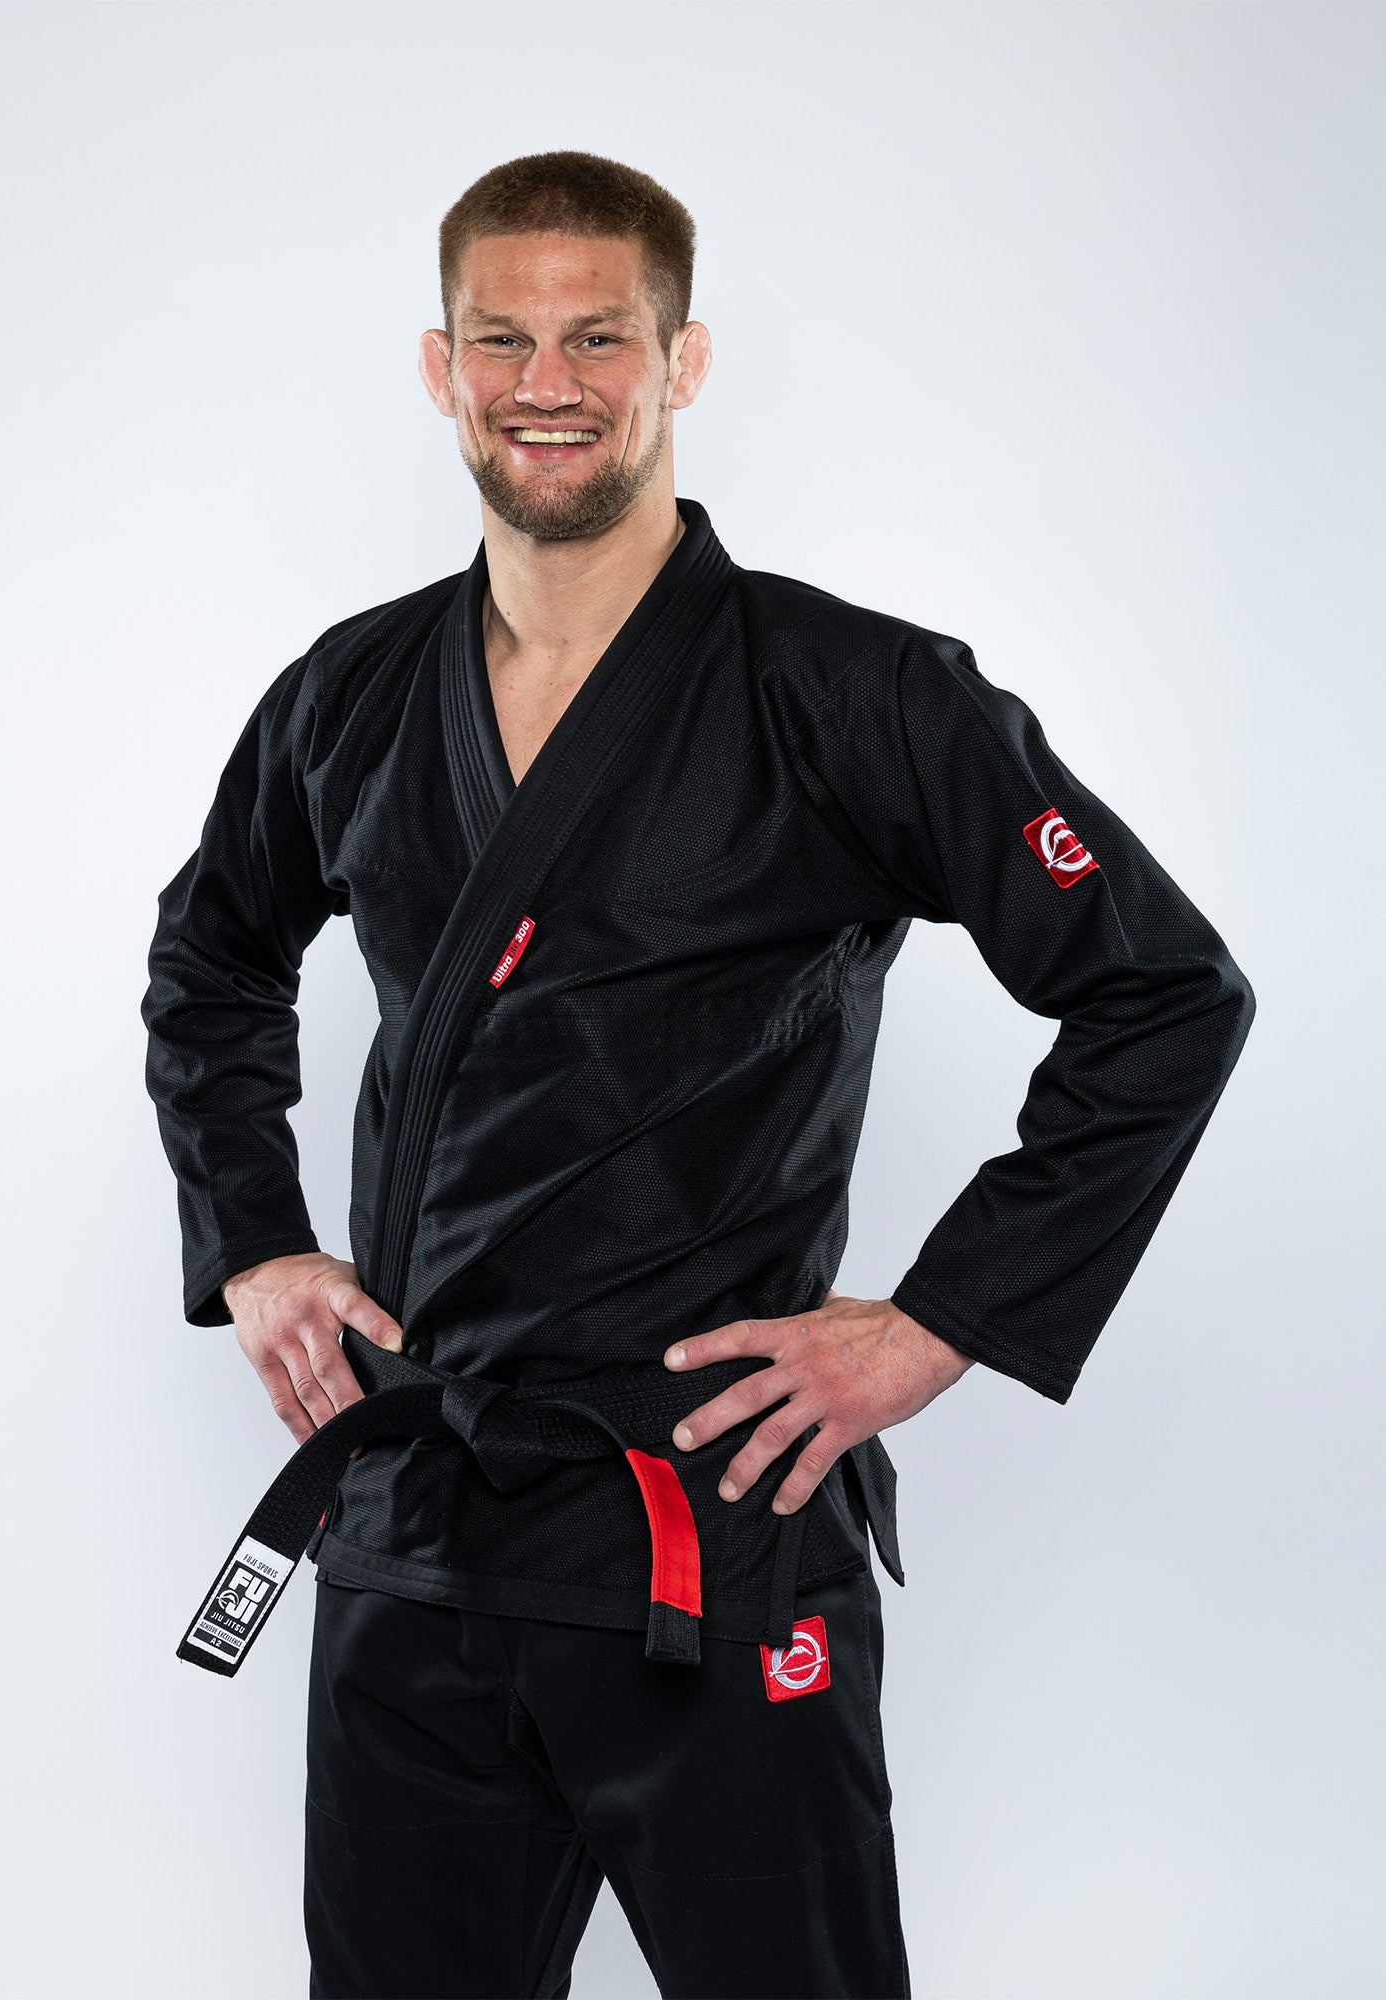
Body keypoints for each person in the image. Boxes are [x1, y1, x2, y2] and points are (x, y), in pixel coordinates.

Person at [142, 150, 1256, 2000]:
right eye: (502, 336)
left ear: (684, 357)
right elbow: (210, 961)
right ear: (441, 366)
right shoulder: (348, 693)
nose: (547, 380)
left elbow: (1163, 994)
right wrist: (254, 1242)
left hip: (708, 1526)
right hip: (414, 1521)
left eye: (599, 335)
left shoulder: (861, 694)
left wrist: (938, 1322)